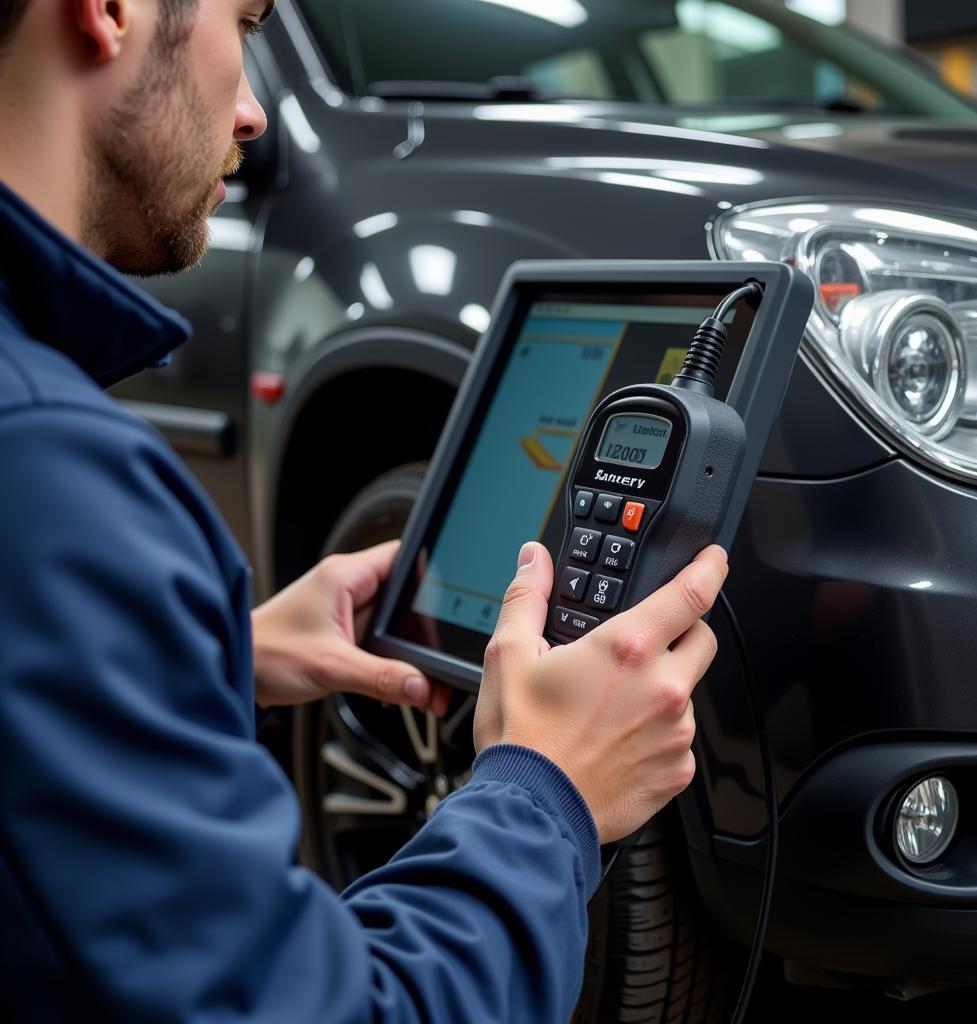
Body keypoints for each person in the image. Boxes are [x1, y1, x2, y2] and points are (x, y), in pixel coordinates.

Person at [0, 0, 729, 1019]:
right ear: (109, 10)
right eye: (245, 25)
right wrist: (545, 791)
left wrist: (207, 656)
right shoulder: (46, 469)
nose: (251, 112)